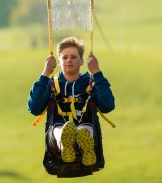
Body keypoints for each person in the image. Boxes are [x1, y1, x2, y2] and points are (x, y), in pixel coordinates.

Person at [28, 36, 115, 167]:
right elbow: (34, 108)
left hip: (86, 127)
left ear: (81, 61)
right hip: (57, 133)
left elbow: (107, 106)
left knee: (83, 130)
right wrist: (45, 73)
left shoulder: (91, 83)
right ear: (58, 62)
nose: (69, 60)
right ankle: (65, 144)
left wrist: (96, 72)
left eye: (73, 57)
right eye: (64, 57)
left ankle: (85, 148)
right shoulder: (50, 84)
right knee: (59, 130)